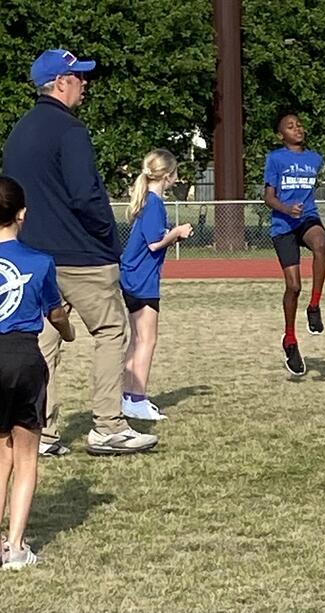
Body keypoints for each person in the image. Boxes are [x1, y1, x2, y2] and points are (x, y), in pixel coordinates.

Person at [2, 48, 158, 456]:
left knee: (44, 342)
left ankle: (41, 432)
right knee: (110, 331)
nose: (84, 84)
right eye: (79, 77)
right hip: (81, 255)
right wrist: (108, 235)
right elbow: (85, 194)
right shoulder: (70, 130)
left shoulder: (19, 131)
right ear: (60, 82)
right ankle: (108, 425)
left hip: (35, 254)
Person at [0, 177, 75, 569]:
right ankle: (15, 547)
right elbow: (56, 314)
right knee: (26, 456)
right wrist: (68, 331)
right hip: (23, 357)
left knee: (1, 454)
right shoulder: (40, 262)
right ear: (22, 214)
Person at [120, 150, 193, 421]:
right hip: (142, 279)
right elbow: (154, 243)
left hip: (132, 276)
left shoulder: (147, 202)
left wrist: (172, 236)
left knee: (137, 339)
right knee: (147, 340)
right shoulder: (154, 204)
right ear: (167, 176)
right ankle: (137, 399)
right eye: (176, 173)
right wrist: (176, 233)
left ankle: (127, 396)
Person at [262, 111, 325, 377]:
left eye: (299, 125)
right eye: (290, 127)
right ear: (281, 135)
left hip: (307, 218)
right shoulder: (275, 158)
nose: (297, 129)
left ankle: (314, 305)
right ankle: (290, 339)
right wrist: (286, 208)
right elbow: (269, 197)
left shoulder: (315, 159)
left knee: (321, 244)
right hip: (283, 224)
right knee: (294, 286)